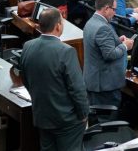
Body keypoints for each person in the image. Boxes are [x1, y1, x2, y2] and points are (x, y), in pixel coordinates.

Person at [19, 8, 89, 151]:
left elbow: (25, 78)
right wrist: (83, 114)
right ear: (58, 26)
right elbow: (76, 88)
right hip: (67, 121)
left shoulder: (28, 46)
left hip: (42, 115)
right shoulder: (66, 51)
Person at [83, 0, 133, 107]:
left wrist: (117, 41)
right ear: (106, 8)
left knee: (97, 119)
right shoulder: (102, 27)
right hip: (104, 85)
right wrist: (125, 46)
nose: (115, 13)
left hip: (95, 80)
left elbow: (98, 45)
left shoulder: (91, 22)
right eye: (114, 9)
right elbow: (109, 54)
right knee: (106, 120)